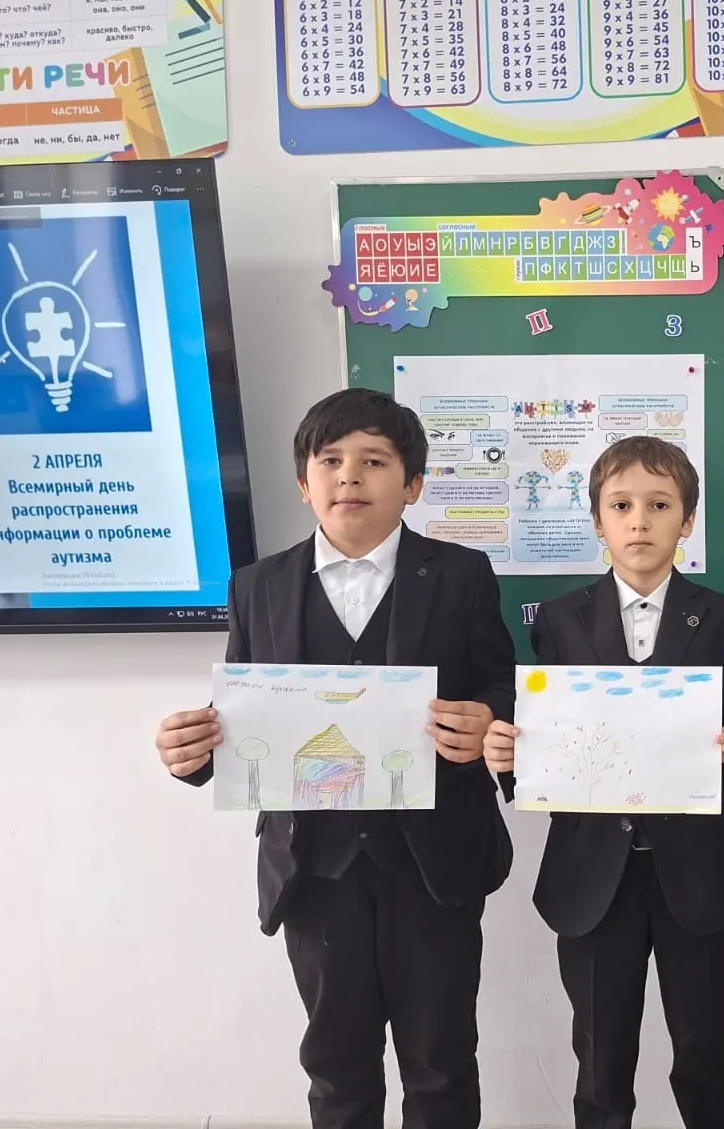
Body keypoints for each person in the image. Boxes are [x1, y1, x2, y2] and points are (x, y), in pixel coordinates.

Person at [152, 388, 516, 1129]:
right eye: (331, 460)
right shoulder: (257, 586)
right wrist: (193, 752)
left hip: (433, 862)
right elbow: (244, 715)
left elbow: (499, 683)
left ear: (413, 485)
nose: (350, 475)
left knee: (442, 1062)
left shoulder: (461, 574)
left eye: (375, 461)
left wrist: (489, 719)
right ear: (303, 482)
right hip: (315, 869)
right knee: (336, 1065)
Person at [483, 436, 724, 1129]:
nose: (640, 521)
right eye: (621, 506)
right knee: (601, 1062)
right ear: (598, 521)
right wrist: (508, 757)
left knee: (704, 1056)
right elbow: (546, 742)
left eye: (659, 505)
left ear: (687, 521)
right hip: (592, 878)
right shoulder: (559, 620)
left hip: (698, 875)